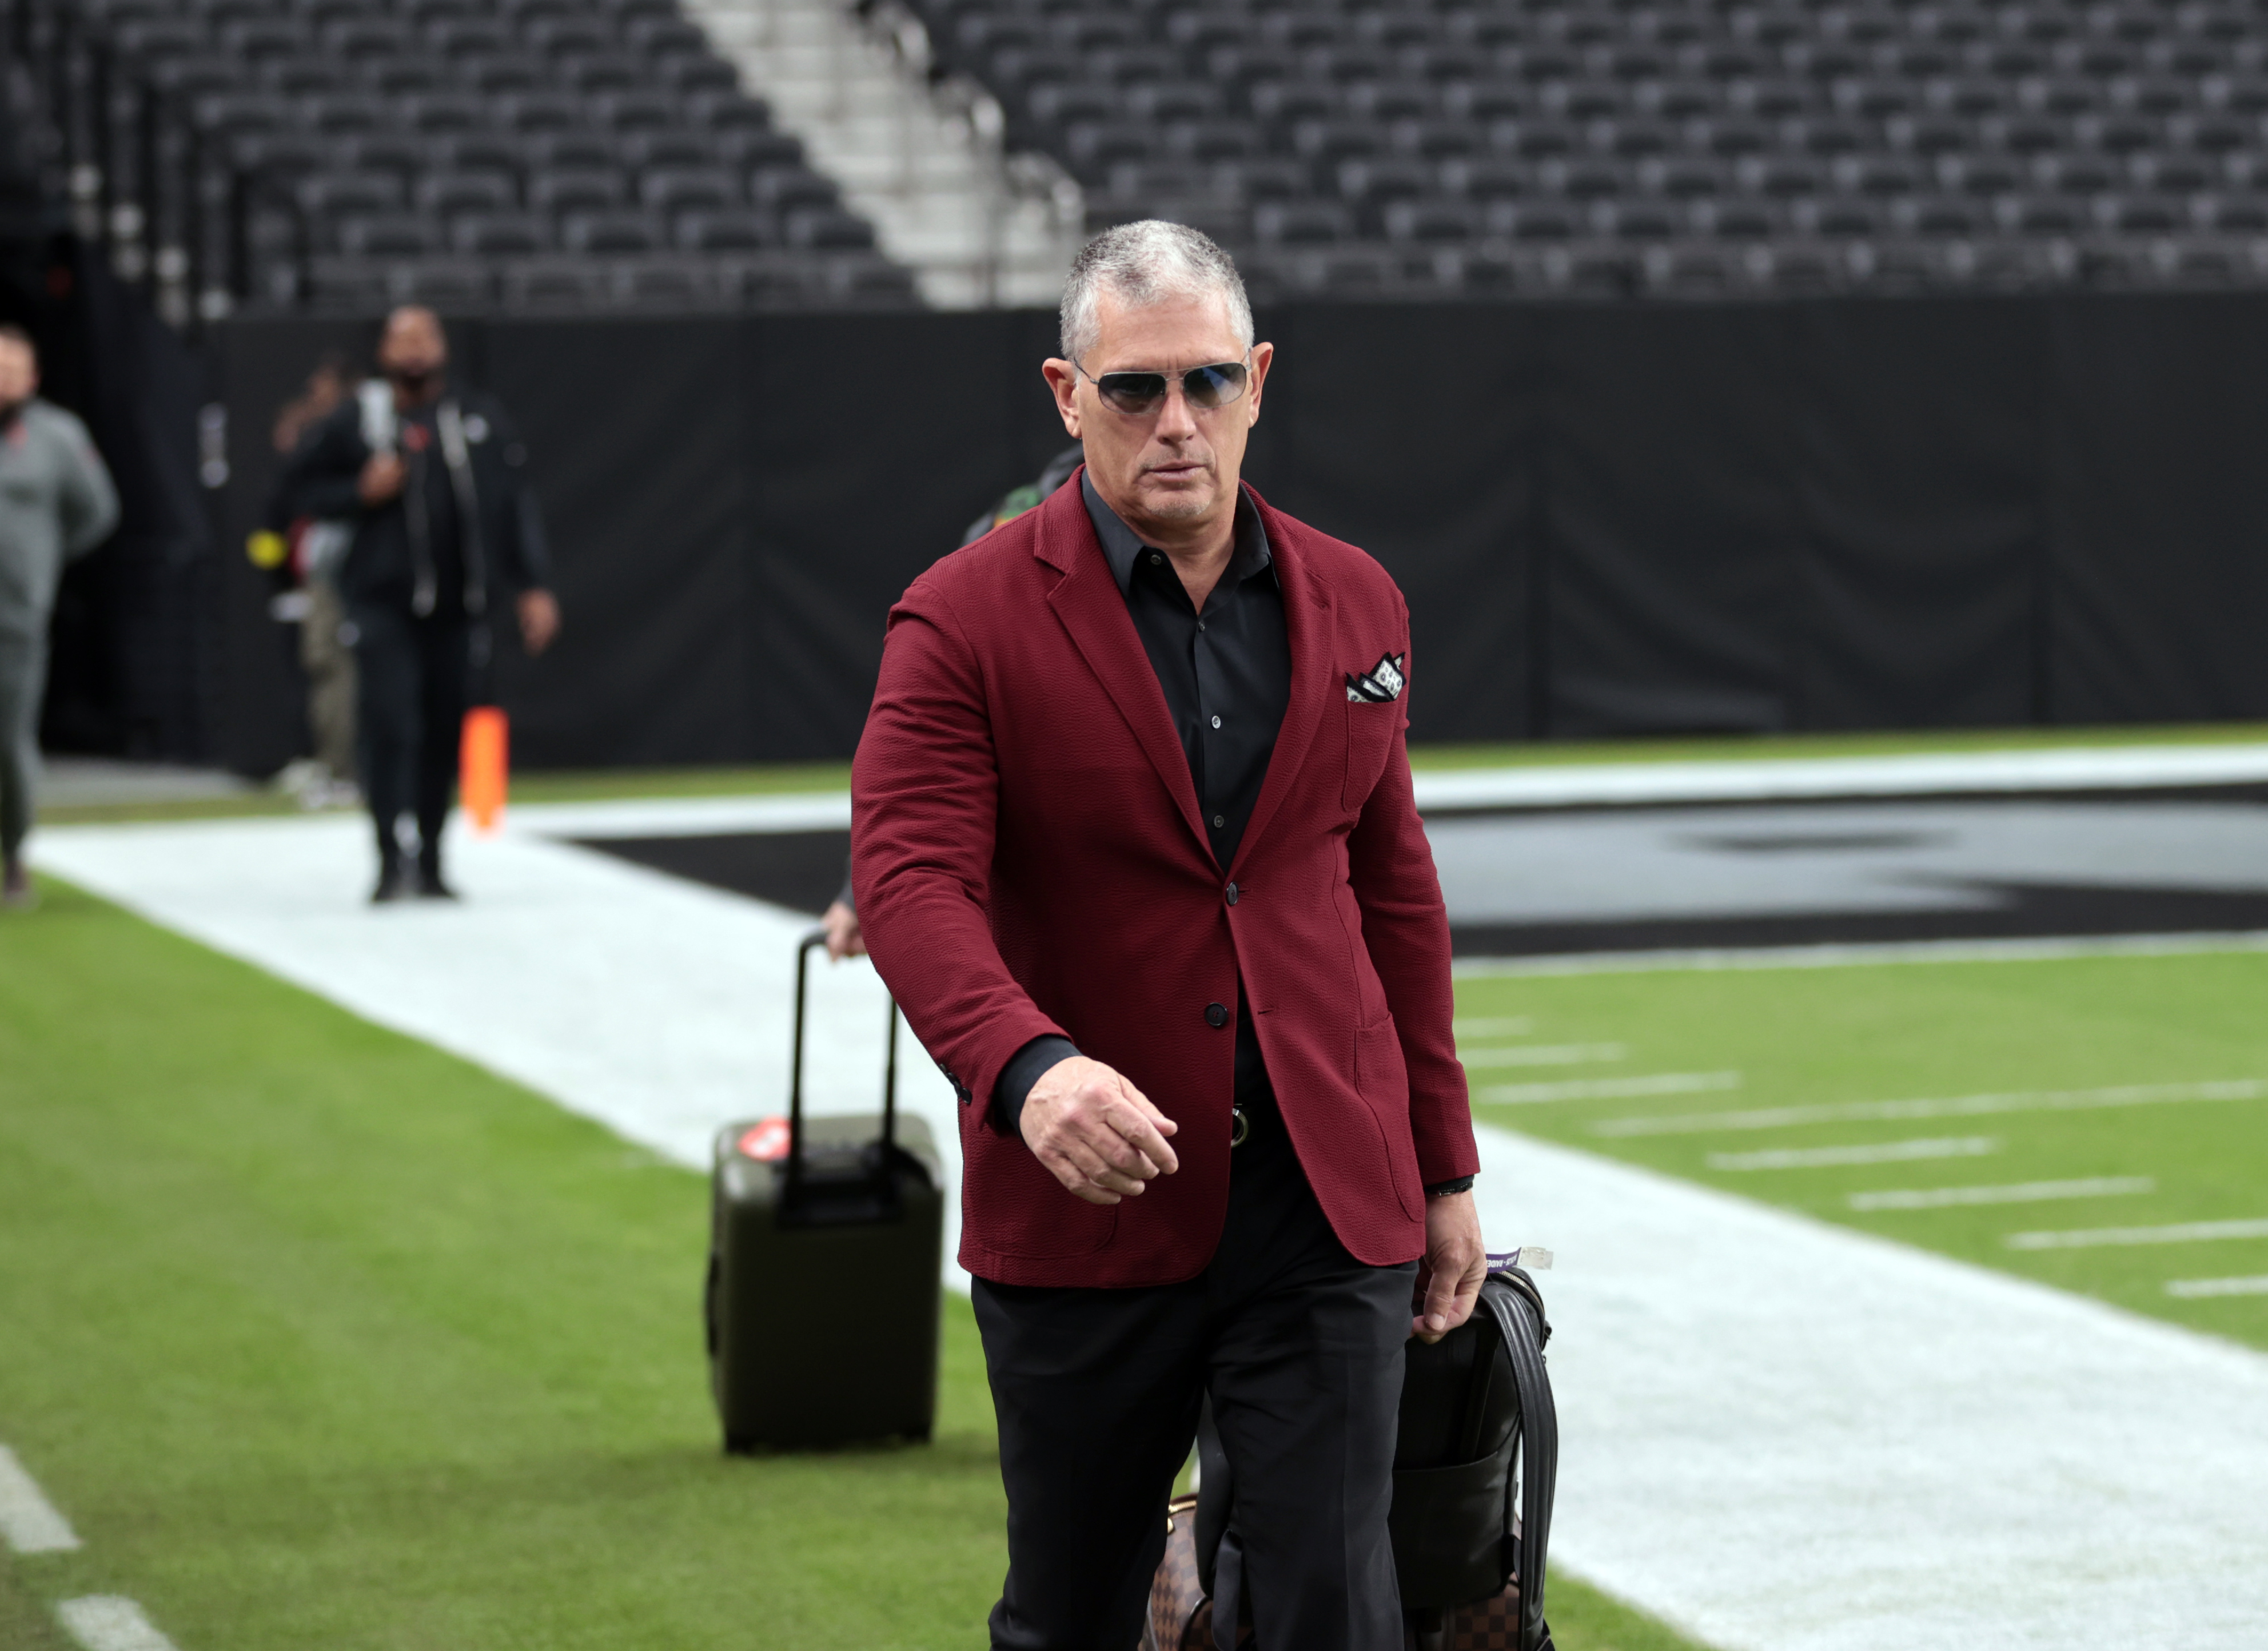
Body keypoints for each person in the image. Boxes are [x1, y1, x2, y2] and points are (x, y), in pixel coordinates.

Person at [851, 222, 1484, 1650]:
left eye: (1206, 381)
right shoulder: (956, 620)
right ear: (1066, 396)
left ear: (1257, 380)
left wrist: (1441, 1164)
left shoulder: (1357, 598)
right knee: (1073, 1612)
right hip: (1089, 1200)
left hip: (1325, 1206)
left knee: (1330, 1606)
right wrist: (1028, 1070)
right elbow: (906, 881)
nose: (1175, 421)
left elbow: (1392, 892)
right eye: (1133, 389)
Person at [280, 307, 560, 902]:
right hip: (384, 605)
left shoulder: (476, 417)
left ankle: (432, 860)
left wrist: (532, 584)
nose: (414, 349)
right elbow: (296, 486)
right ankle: (387, 860)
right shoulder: (360, 417)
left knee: (443, 731)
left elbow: (514, 505)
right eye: (401, 338)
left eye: (425, 337)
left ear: (443, 347)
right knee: (390, 724)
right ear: (381, 350)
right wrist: (358, 492)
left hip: (461, 607)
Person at [0, 324, 119, 909]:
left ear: (34, 377)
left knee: (10, 740)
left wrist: (43, 559)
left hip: (17, 617)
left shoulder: (56, 437)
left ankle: (14, 853)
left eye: (12, 369)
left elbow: (97, 511)